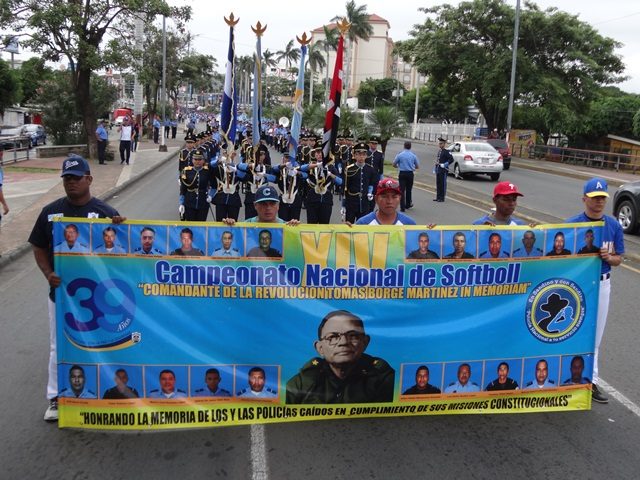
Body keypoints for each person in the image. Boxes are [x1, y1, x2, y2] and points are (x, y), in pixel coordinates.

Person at [29, 155, 125, 421]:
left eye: (76, 178)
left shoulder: (105, 213)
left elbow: (123, 255)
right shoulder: (50, 213)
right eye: (67, 178)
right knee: (58, 346)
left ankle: (100, 392)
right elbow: (38, 246)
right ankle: (56, 398)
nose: (71, 182)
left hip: (99, 299)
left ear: (89, 179)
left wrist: (122, 228)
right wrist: (48, 274)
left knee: (102, 345)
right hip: (62, 296)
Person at [566, 177, 624, 404]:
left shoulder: (613, 225)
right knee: (570, 330)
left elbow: (619, 258)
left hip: (602, 282)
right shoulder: (573, 225)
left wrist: (609, 258)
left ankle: (592, 382)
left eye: (602, 198)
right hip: (578, 285)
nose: (599, 202)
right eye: (594, 197)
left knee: (595, 336)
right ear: (584, 199)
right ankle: (565, 377)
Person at [286, 309, 395, 404]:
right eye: (332, 337)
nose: (343, 342)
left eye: (353, 336)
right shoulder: (303, 383)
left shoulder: (382, 378)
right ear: (320, 348)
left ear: (365, 342)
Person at [222, 184, 299, 226]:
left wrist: (295, 230)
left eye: (272, 203)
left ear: (278, 206)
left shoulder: (286, 226)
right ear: (255, 205)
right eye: (263, 204)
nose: (268, 208)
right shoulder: (245, 226)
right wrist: (228, 228)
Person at [343, 142, 378, 223]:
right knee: (349, 225)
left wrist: (370, 192)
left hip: (364, 203)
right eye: (359, 154)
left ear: (366, 156)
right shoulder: (349, 169)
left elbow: (372, 183)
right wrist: (343, 205)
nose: (361, 157)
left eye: (363, 154)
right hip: (352, 202)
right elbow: (345, 187)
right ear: (355, 155)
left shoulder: (370, 169)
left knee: (363, 226)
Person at [179, 150, 214, 222]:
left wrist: (210, 195)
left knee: (201, 224)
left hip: (203, 202)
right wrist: (181, 203)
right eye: (195, 159)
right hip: (189, 202)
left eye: (200, 159)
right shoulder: (186, 171)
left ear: (203, 160)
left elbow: (214, 185)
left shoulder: (207, 171)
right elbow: (183, 189)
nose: (197, 161)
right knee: (190, 224)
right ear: (192, 160)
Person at [392, 140, 420, 209]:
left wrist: (398, 166)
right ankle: (408, 204)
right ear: (410, 147)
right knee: (409, 189)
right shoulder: (413, 155)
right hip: (410, 173)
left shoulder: (400, 155)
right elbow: (417, 166)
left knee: (402, 190)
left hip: (402, 173)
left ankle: (402, 206)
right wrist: (412, 167)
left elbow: (394, 164)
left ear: (404, 146)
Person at [433, 137, 452, 202]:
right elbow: (438, 160)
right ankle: (438, 197)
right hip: (438, 169)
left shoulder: (447, 151)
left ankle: (442, 198)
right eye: (439, 143)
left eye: (441, 143)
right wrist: (435, 168)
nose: (439, 145)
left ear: (444, 144)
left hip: (443, 170)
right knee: (438, 183)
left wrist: (445, 164)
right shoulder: (439, 151)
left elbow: (451, 159)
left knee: (442, 184)